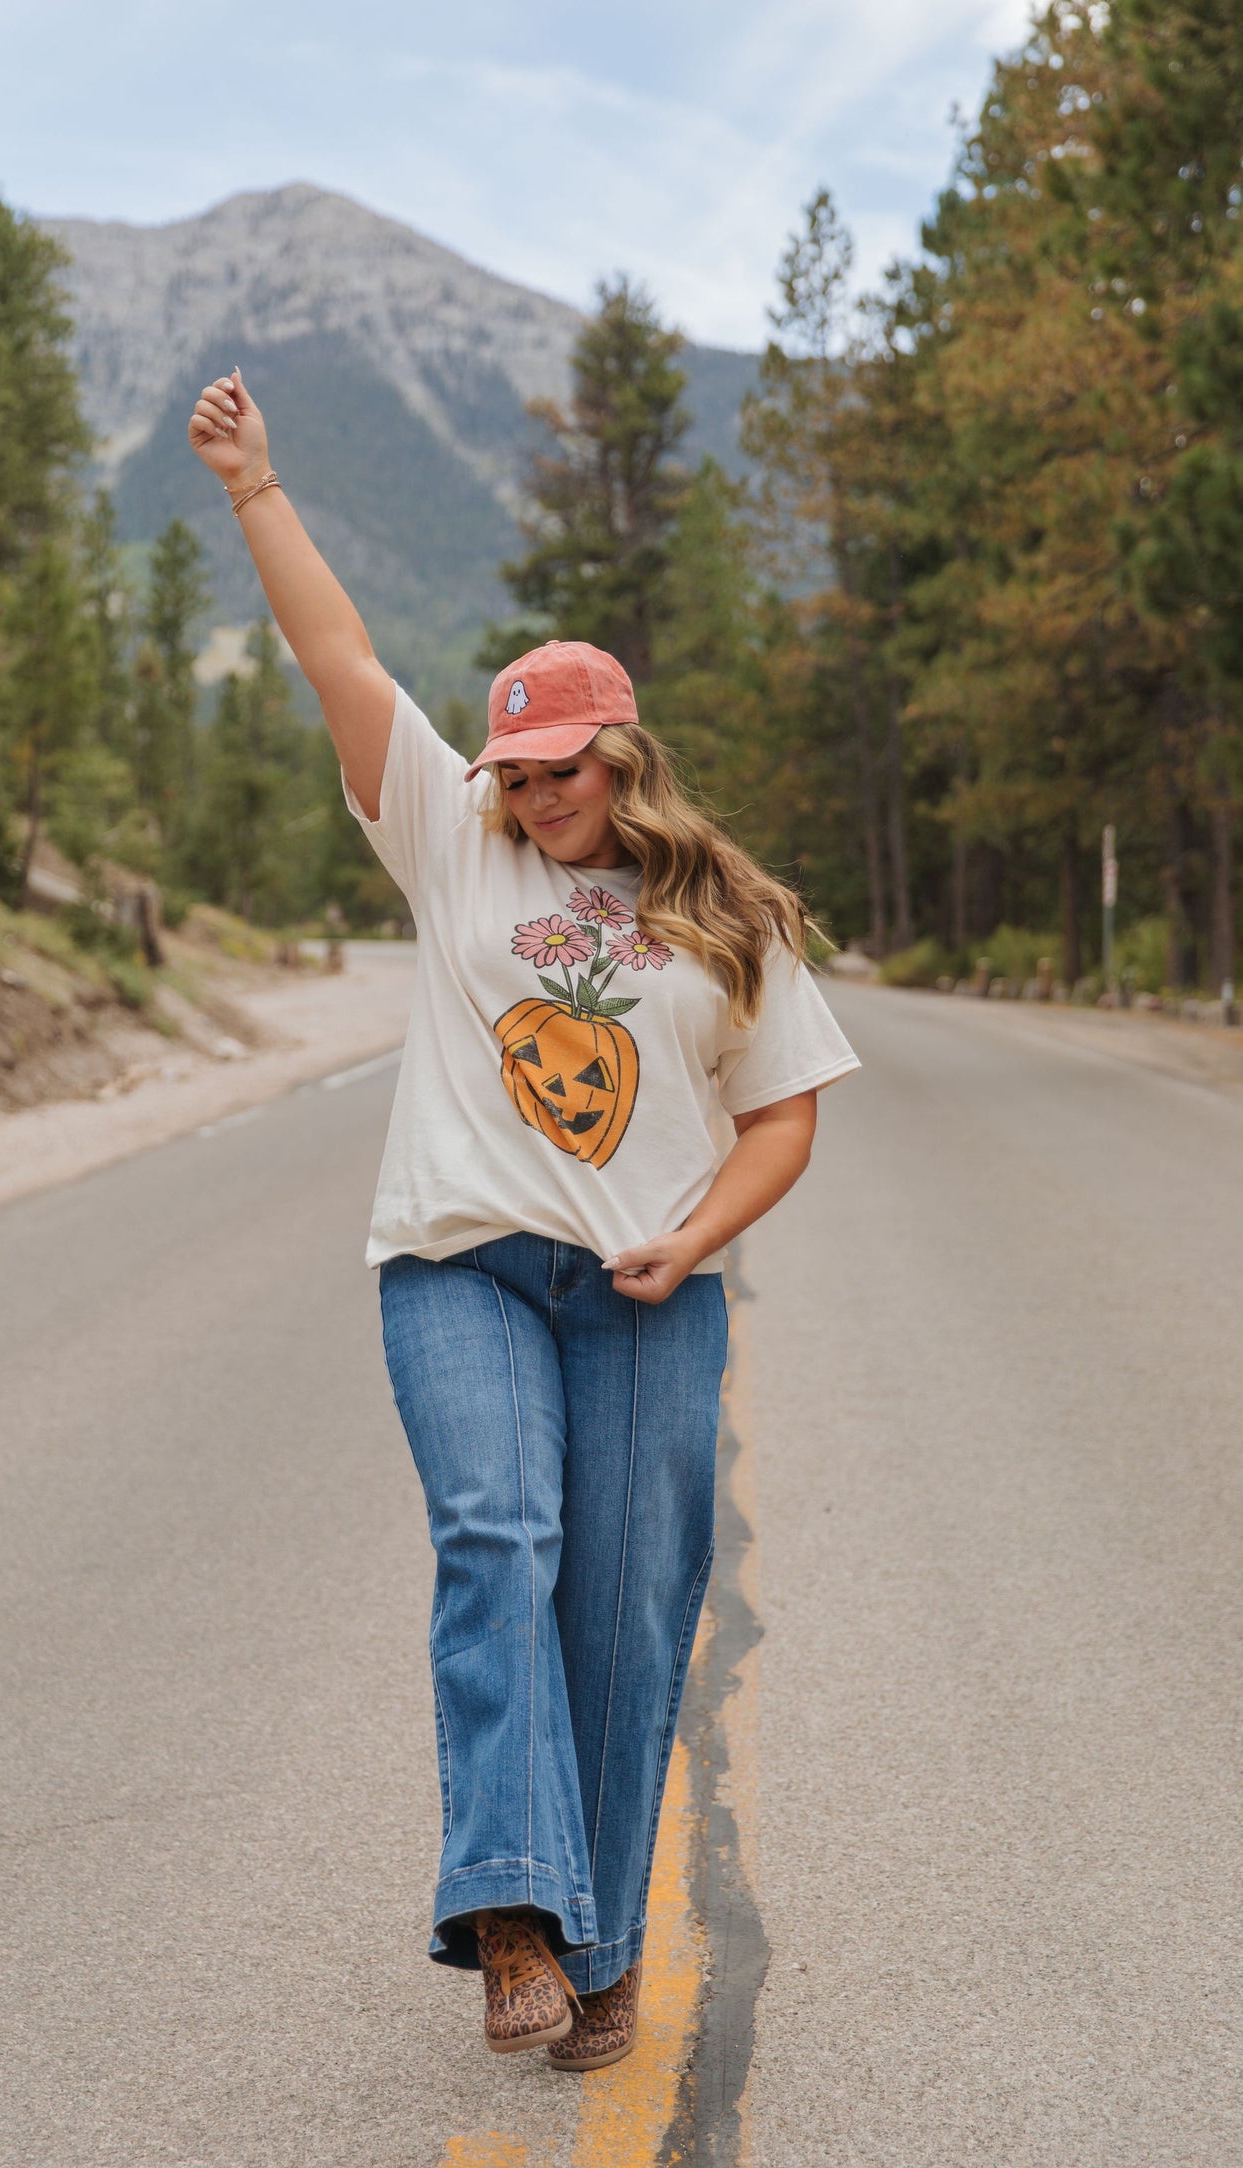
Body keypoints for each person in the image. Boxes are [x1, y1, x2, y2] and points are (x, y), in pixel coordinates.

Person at [188, 366, 859, 2068]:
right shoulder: (451, 844)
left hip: (645, 1293)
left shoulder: (719, 917)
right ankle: (507, 1916)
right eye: (513, 769)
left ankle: (604, 1940)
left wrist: (693, 1241)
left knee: (626, 1610)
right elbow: (341, 662)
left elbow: (781, 1121)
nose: (533, 793)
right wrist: (259, 487)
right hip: (461, 1271)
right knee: (498, 1538)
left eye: (560, 768)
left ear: (620, 756)